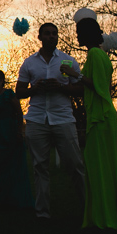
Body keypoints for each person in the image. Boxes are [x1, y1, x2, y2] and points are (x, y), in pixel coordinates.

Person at [60, 17, 117, 229]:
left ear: (88, 33)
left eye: (79, 32)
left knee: (101, 167)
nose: (77, 36)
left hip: (102, 116)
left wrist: (74, 74)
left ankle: (104, 218)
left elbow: (98, 86)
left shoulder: (95, 54)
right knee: (98, 167)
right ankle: (100, 214)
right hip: (99, 116)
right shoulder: (98, 54)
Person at [16, 22, 85, 220]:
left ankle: (86, 207)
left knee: (75, 164)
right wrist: (34, 89)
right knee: (40, 167)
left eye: (54, 34)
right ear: (40, 37)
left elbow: (80, 90)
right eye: (47, 33)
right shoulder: (30, 63)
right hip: (37, 119)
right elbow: (19, 91)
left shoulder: (68, 61)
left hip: (63, 118)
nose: (51, 37)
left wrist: (61, 87)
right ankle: (43, 213)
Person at [0, 69, 34, 210]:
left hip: (9, 132)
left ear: (1, 80)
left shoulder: (8, 94)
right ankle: (0, 200)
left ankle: (15, 199)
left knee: (11, 167)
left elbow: (19, 112)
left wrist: (19, 131)